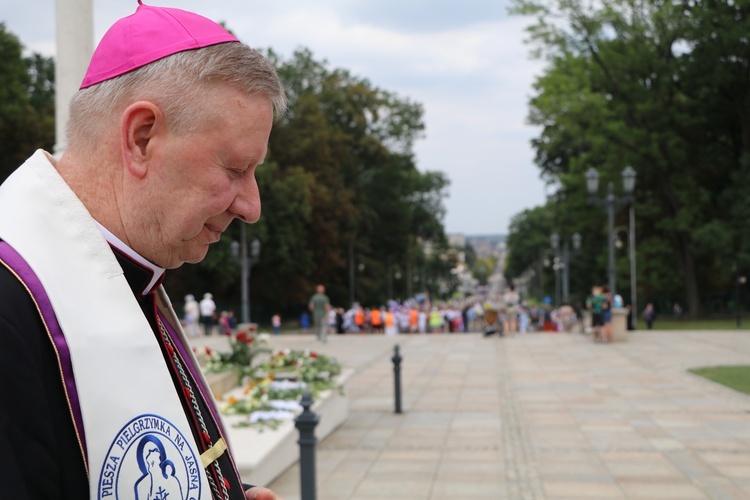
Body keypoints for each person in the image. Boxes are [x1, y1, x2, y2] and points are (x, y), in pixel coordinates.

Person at [0, 3, 285, 499]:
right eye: (236, 168)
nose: (252, 207)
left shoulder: (131, 272)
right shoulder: (12, 304)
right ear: (142, 137)